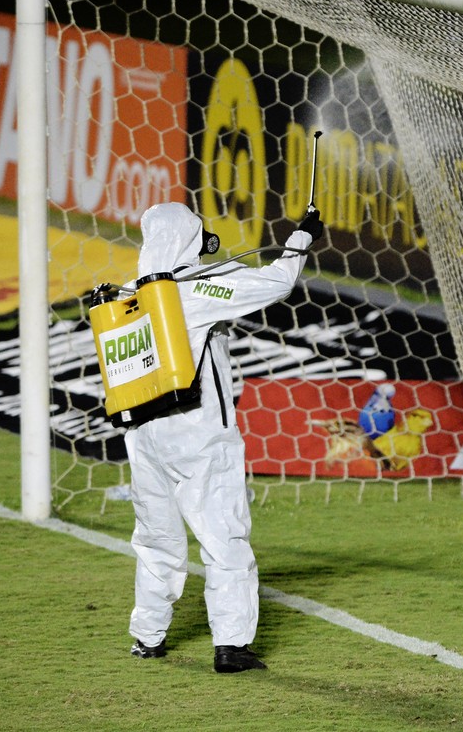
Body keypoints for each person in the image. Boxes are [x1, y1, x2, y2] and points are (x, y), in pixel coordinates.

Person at [125, 201, 323, 673]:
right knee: (224, 537)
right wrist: (302, 239)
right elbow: (277, 282)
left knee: (156, 540)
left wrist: (213, 263)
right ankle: (231, 646)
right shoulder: (195, 293)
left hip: (144, 437)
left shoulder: (127, 296)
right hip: (199, 439)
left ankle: (147, 637)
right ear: (190, 238)